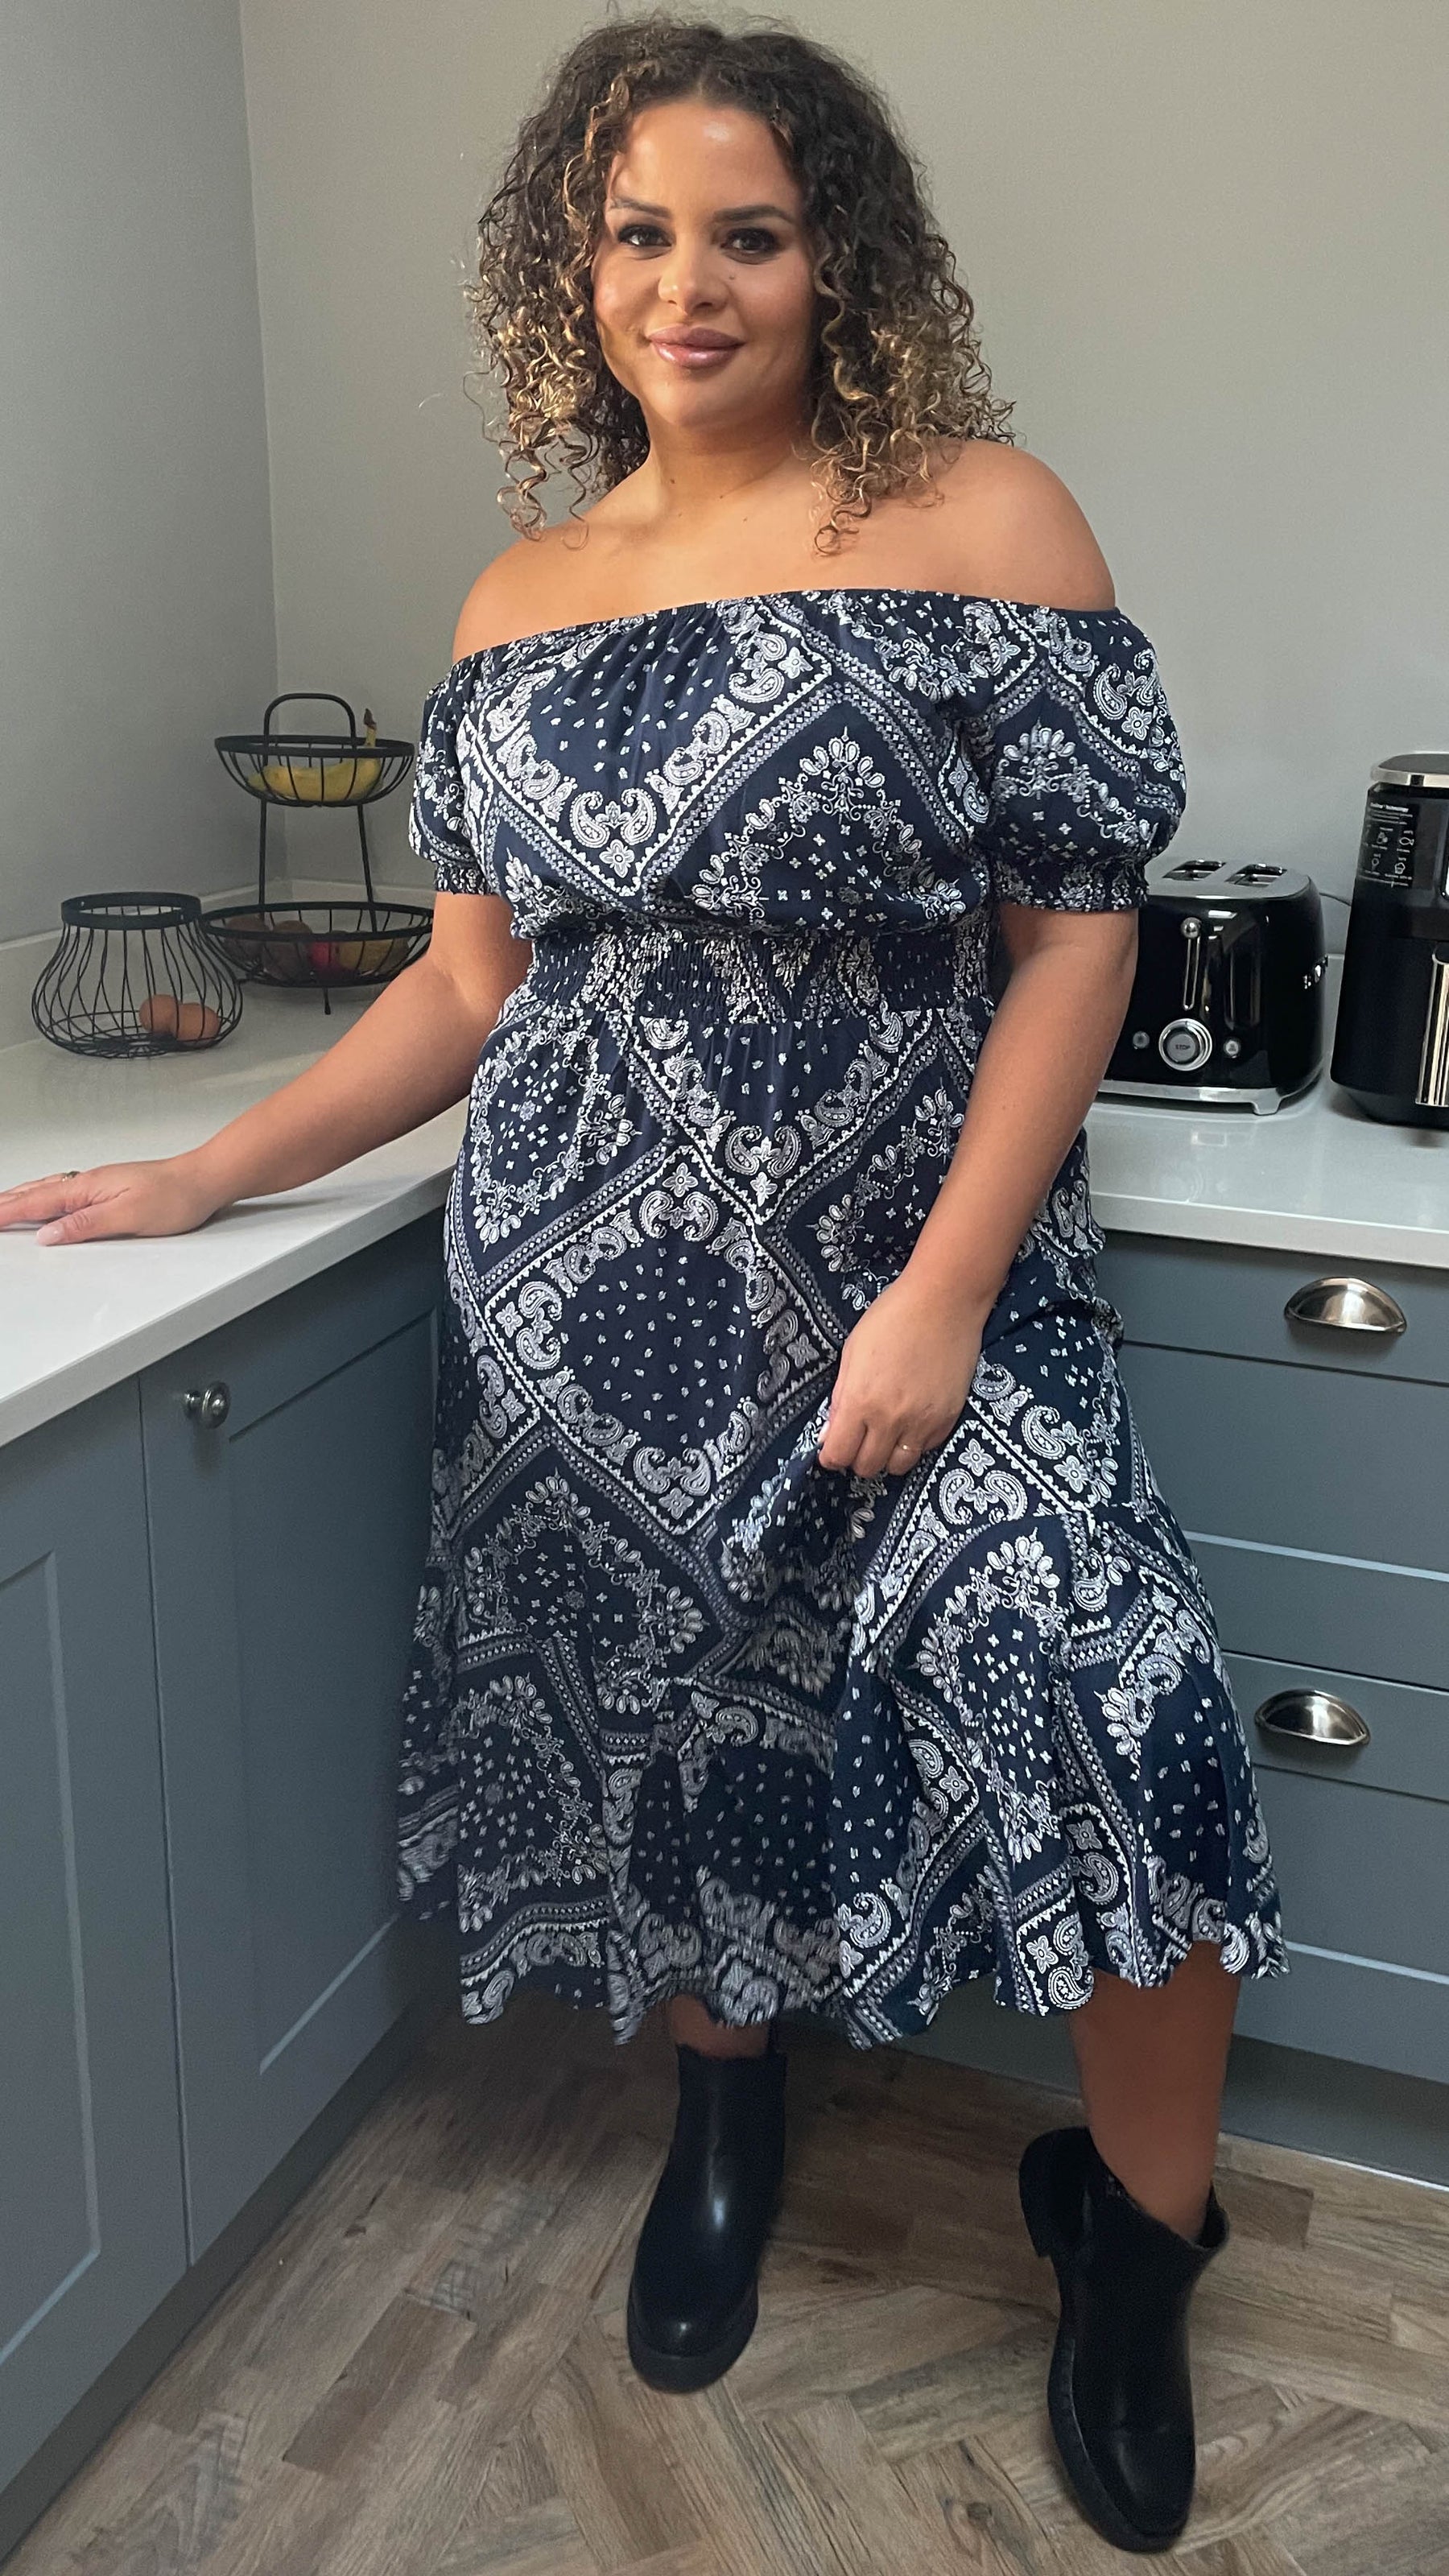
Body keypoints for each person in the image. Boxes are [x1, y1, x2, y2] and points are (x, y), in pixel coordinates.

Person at [0, 15, 1286, 2554]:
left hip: (929, 1281)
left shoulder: (983, 517)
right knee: (666, 1729)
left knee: (1121, 1709)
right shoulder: (524, 593)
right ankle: (721, 2112)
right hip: (591, 1300)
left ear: (839, 259)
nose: (684, 286)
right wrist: (211, 1166)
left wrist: (943, 1296)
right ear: (568, 266)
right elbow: (468, 991)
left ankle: (1140, 2245)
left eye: (746, 235)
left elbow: (1075, 942)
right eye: (636, 233)